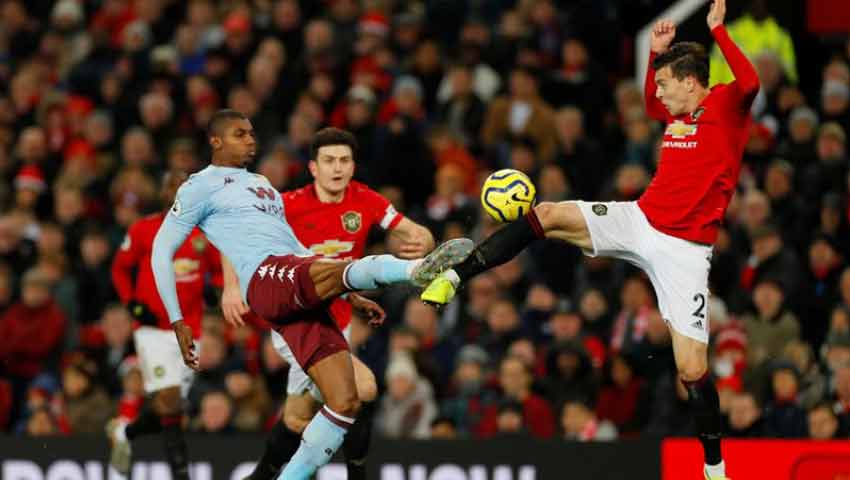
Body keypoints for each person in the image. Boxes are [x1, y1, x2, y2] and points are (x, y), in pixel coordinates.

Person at [420, 2, 757, 478]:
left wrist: (719, 32)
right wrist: (654, 57)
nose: (658, 92)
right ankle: (455, 276)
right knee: (548, 214)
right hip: (639, 218)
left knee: (691, 369)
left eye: (665, 81)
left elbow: (752, 83)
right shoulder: (676, 113)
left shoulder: (725, 103)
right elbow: (646, 104)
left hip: (685, 250)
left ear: (690, 80)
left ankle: (715, 467)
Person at [151, 109, 471, 479]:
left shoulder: (263, 185)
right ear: (216, 141)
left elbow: (296, 247)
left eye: (252, 133)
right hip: (266, 280)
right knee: (336, 270)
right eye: (240, 134)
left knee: (346, 400)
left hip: (294, 282)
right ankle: (417, 272)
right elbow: (162, 251)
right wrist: (177, 318)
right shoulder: (198, 186)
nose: (251, 140)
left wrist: (348, 295)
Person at [222, 127, 435, 480]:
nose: (337, 168)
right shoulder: (286, 205)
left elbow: (415, 232)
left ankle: (259, 476)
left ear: (353, 166)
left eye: (344, 160)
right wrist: (231, 288)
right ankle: (357, 474)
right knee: (362, 388)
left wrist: (423, 243)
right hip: (295, 320)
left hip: (337, 321)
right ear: (313, 167)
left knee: (296, 418)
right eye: (329, 161)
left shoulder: (365, 200)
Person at [107, 170, 224, 478]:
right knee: (170, 398)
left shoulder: (203, 235)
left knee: (170, 407)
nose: (176, 192)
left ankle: (128, 433)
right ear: (161, 192)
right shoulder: (144, 229)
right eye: (171, 185)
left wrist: (217, 289)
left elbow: (222, 269)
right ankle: (181, 473)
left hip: (190, 330)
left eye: (183, 187)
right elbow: (120, 269)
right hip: (153, 330)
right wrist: (132, 304)